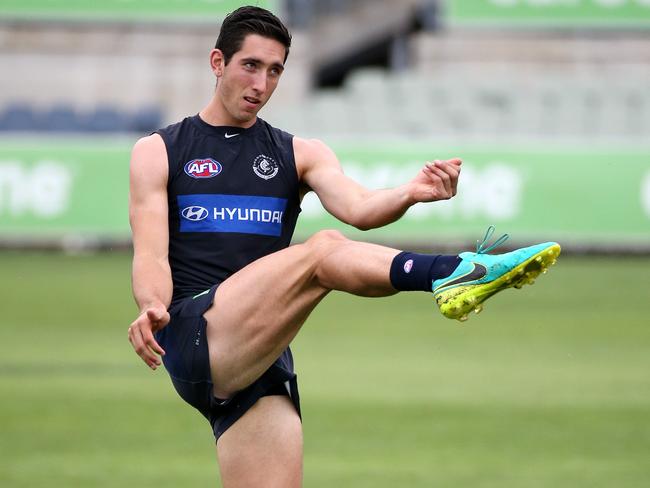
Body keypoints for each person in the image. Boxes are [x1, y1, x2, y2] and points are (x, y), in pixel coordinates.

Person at [127, 6, 560, 487]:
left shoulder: (298, 152)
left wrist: (410, 193)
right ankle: (453, 271)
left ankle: (454, 273)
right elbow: (150, 254)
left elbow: (359, 208)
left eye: (275, 71)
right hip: (194, 333)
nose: (262, 84)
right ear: (217, 62)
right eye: (251, 65)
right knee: (323, 249)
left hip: (259, 356)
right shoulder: (159, 150)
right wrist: (150, 307)